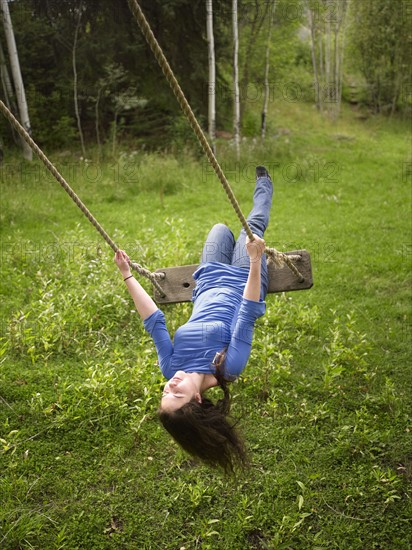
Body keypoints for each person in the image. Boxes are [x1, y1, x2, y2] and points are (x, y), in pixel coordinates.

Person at [114, 166, 273, 473]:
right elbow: (248, 311)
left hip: (208, 280)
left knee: (219, 230)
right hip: (242, 279)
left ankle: (249, 222)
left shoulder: (172, 367)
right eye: (177, 393)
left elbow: (154, 321)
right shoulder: (228, 366)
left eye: (165, 392)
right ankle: (265, 185)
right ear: (197, 399)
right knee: (251, 226)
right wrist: (255, 261)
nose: (170, 384)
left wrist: (126, 274)